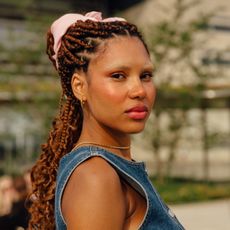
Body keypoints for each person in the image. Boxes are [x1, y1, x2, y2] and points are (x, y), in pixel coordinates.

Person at [28, 11, 184, 230]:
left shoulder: (113, 167)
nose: (139, 90)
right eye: (118, 76)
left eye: (145, 75)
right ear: (79, 86)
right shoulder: (96, 176)